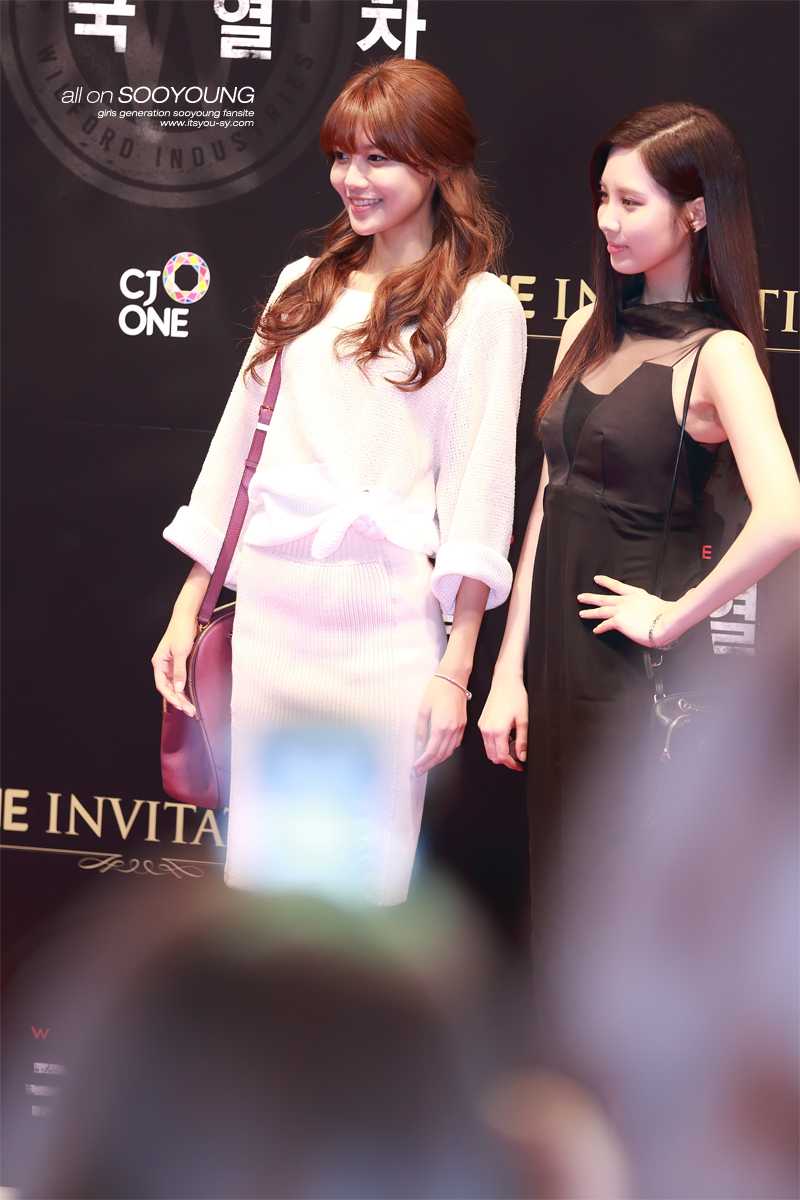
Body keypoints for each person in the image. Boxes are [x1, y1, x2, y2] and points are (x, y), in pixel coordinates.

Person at [152, 58, 526, 906]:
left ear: (437, 165)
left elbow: (478, 499)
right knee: (264, 884)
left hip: (387, 629)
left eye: (377, 159)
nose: (351, 179)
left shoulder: (481, 308)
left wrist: (455, 669)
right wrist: (189, 606)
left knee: (362, 886)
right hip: (274, 621)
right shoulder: (304, 285)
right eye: (342, 156)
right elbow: (236, 457)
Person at [478, 102, 800, 924]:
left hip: (634, 681)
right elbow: (548, 504)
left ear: (695, 213)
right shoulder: (586, 327)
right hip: (553, 667)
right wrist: (509, 670)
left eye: (631, 202)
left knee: (612, 911)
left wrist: (672, 616)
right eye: (603, 198)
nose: (607, 221)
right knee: (553, 897)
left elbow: (784, 514)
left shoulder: (718, 355)